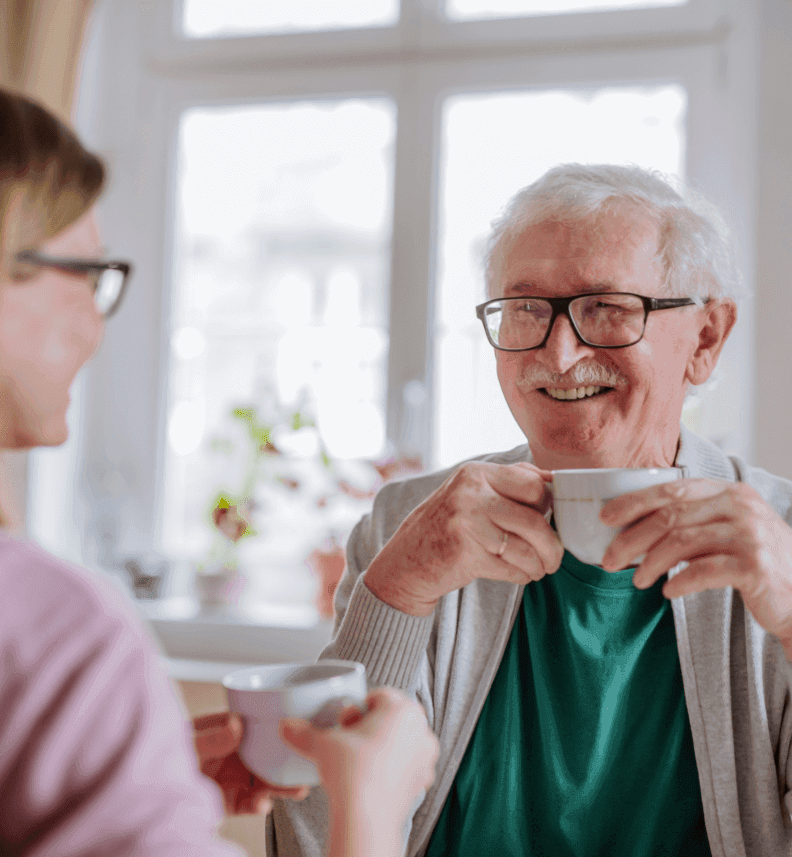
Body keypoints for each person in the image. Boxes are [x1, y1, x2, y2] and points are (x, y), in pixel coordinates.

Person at [0, 59, 438, 857]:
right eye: (85, 274)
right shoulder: (37, 633)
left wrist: (132, 783)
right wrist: (370, 807)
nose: (96, 326)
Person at [270, 163, 792, 857]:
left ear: (704, 339)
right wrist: (394, 594)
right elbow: (310, 845)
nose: (561, 352)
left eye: (607, 307)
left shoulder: (778, 541)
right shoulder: (414, 522)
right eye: (526, 310)